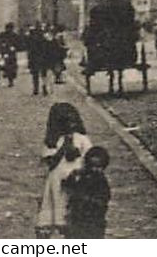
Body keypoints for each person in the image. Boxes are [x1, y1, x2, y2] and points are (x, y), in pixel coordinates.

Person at [35, 102, 90, 238]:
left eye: (72, 121)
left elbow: (89, 157)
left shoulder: (82, 139)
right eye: (65, 122)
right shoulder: (53, 141)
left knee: (73, 211)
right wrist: (65, 146)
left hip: (76, 179)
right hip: (57, 181)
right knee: (57, 209)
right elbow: (50, 162)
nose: (70, 125)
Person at [62, 146, 110, 238]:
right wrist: (71, 178)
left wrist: (87, 199)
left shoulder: (101, 181)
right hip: (77, 217)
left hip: (94, 219)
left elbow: (104, 199)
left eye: (99, 167)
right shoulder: (82, 176)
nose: (95, 169)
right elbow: (69, 187)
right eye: (92, 166)